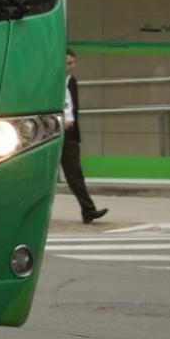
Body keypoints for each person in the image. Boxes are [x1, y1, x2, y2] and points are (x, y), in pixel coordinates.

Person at [63, 49, 108, 224]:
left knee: (75, 173)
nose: (72, 66)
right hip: (54, 132)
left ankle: (88, 211)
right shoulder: (51, 81)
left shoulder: (72, 81)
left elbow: (73, 108)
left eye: (73, 62)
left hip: (71, 133)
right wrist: (61, 120)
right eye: (68, 63)